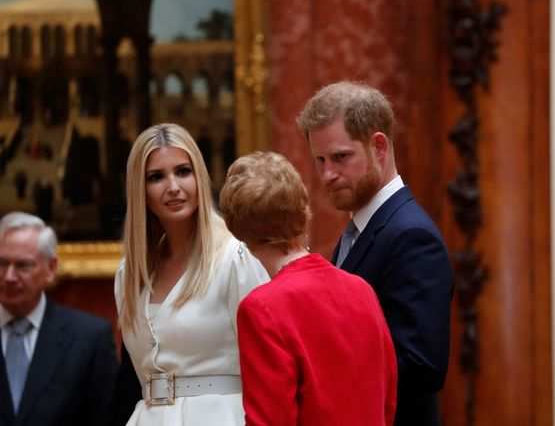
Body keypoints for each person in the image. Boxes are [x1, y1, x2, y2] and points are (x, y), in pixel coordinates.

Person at [297, 81, 454, 426]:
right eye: (319, 160)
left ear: (379, 147)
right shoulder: (360, 230)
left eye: (340, 157)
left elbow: (421, 366)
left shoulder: (411, 235)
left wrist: (318, 369)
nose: (327, 174)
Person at [219, 151, 397, 426]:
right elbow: (386, 398)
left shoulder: (261, 309)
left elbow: (269, 419)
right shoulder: (360, 288)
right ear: (303, 210)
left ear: (238, 230)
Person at [114, 123, 268, 425]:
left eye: (183, 171)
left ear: (199, 177)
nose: (173, 186)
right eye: (156, 177)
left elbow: (268, 365)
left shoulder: (235, 259)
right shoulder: (129, 274)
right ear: (141, 191)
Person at [0, 212, 117, 426]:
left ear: (51, 268)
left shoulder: (89, 339)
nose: (9, 276)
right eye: (2, 263)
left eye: (23, 266)